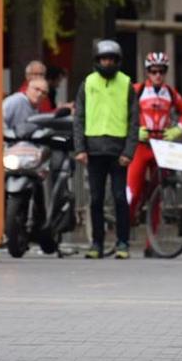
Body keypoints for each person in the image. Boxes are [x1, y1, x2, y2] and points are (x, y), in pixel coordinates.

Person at [73, 39, 138, 260]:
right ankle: (97, 243)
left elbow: (133, 121)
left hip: (118, 151)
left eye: (111, 59)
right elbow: (79, 118)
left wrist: (129, 151)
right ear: (97, 60)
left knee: (120, 198)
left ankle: (122, 243)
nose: (107, 63)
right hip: (93, 150)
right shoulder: (88, 83)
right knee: (96, 199)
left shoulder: (126, 84)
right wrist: (80, 148)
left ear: (117, 61)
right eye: (103, 59)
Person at [127, 51, 182, 257]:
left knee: (158, 195)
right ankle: (124, 231)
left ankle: (150, 244)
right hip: (141, 145)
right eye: (153, 71)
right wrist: (134, 129)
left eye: (161, 71)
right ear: (147, 72)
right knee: (134, 192)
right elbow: (122, 112)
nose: (157, 75)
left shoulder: (170, 93)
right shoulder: (137, 90)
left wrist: (177, 129)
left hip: (161, 146)